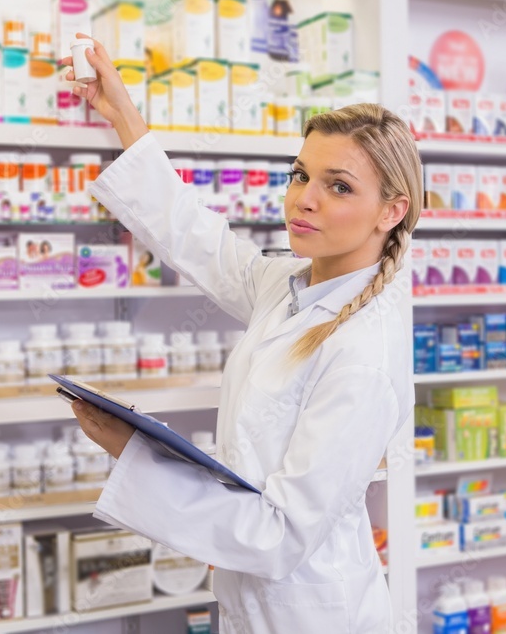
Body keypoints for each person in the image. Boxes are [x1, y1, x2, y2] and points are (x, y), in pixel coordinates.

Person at [62, 34, 421, 633]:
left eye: (339, 186)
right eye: (300, 174)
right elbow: (195, 239)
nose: (303, 200)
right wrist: (121, 111)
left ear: (391, 211)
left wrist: (136, 454)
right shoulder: (287, 285)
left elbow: (280, 535)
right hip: (253, 607)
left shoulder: (364, 354)